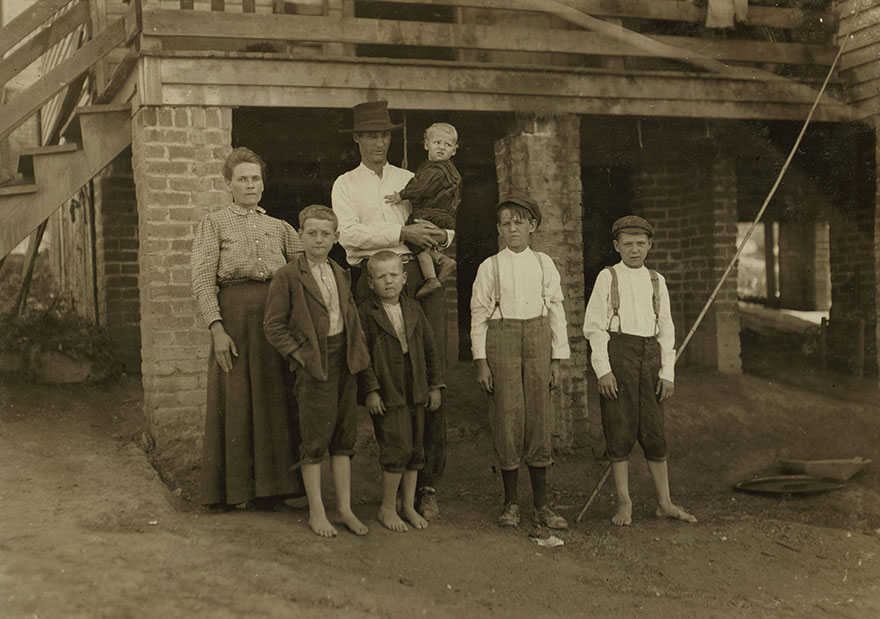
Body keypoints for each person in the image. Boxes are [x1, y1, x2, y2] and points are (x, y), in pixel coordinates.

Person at [332, 100, 452, 520]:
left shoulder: (411, 178)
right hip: (370, 281)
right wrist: (401, 231)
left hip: (417, 278)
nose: (378, 142)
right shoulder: (345, 184)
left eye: (385, 135)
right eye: (370, 135)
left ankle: (427, 485)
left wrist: (441, 242)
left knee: (427, 370)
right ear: (358, 140)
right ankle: (389, 483)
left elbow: (440, 215)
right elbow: (348, 236)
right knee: (382, 378)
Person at [191, 146, 304, 510]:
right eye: (242, 179)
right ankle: (230, 492)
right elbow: (203, 279)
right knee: (235, 398)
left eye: (256, 178)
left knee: (273, 398)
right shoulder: (215, 223)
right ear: (229, 184)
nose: (251, 184)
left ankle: (272, 491)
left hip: (273, 319)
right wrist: (216, 328)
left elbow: (305, 267)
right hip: (235, 318)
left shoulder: (280, 227)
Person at [263, 205, 371, 537]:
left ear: (336, 237)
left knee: (343, 437)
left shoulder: (340, 272)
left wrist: (357, 356)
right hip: (314, 364)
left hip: (344, 361)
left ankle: (345, 509)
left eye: (326, 234)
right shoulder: (288, 276)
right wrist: (299, 356)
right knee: (314, 439)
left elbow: (349, 318)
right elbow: (274, 326)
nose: (319, 240)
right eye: (311, 233)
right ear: (300, 236)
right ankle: (316, 511)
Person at [582, 215, 697, 526]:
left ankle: (664, 502)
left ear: (650, 245)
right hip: (618, 356)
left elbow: (667, 331)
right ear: (617, 246)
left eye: (641, 244)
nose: (635, 250)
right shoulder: (608, 277)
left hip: (650, 359)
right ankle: (624, 502)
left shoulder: (657, 281)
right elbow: (594, 327)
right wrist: (603, 370)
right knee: (618, 430)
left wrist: (667, 373)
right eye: (628, 244)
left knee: (654, 432)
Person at [470, 193, 569, 529]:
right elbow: (479, 316)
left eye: (519, 222)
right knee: (507, 415)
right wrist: (481, 361)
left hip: (539, 338)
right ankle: (511, 502)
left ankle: (542, 505)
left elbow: (556, 310)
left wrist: (557, 358)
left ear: (533, 226)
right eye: (506, 223)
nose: (513, 228)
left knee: (540, 415)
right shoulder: (489, 266)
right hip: (502, 338)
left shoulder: (544, 263)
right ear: (499, 229)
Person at [358, 251, 444, 532]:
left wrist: (434, 385)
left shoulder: (414, 309)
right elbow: (362, 356)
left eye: (394, 275)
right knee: (397, 446)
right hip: (388, 386)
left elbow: (430, 349)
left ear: (405, 278)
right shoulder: (366, 314)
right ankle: (387, 507)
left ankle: (407, 505)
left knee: (415, 448)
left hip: (415, 384)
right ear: (370, 283)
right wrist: (371, 390)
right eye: (381, 277)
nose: (388, 281)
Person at [385, 122, 461, 299]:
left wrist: (401, 196)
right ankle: (440, 259)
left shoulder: (435, 170)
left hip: (432, 212)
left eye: (447, 145)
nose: (442, 147)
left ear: (454, 150)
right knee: (423, 241)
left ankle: (431, 278)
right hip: (445, 215)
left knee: (414, 237)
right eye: (437, 143)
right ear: (426, 144)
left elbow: (420, 188)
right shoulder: (451, 171)